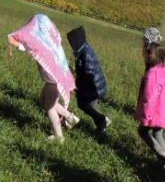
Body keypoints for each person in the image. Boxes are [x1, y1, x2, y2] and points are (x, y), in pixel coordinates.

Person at [8, 14, 79, 142]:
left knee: (50, 107)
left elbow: (30, 46)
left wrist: (14, 42)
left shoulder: (43, 45)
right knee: (43, 100)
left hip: (53, 82)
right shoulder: (50, 42)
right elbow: (31, 45)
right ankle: (70, 117)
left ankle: (59, 136)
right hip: (53, 81)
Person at [136, 43, 165, 169]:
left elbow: (149, 98)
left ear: (151, 56)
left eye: (146, 53)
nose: (144, 55)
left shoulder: (152, 75)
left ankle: (164, 157)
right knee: (158, 134)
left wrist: (146, 115)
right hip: (163, 113)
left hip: (153, 113)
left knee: (142, 131)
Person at [67, 26, 111, 136]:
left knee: (83, 104)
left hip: (93, 87)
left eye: (72, 43)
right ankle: (101, 127)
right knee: (87, 106)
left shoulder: (86, 53)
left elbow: (89, 73)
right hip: (91, 86)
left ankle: (103, 121)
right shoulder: (83, 51)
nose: (72, 46)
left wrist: (78, 83)